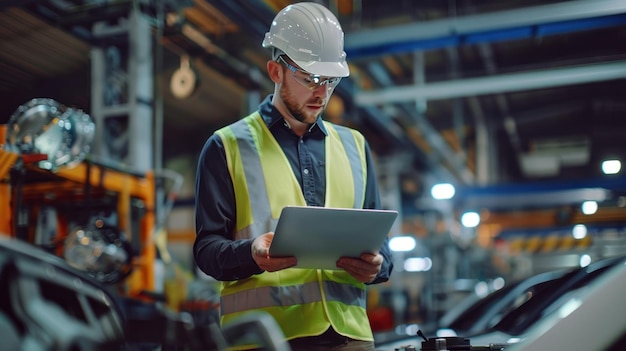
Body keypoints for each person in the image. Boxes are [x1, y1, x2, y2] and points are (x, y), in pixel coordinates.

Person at [193, 2, 393, 350]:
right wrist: (249, 254)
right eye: (310, 78)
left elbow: (381, 246)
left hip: (351, 338)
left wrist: (379, 266)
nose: (321, 92)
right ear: (275, 70)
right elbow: (207, 249)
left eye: (331, 80)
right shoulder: (227, 146)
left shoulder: (355, 146)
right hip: (266, 338)